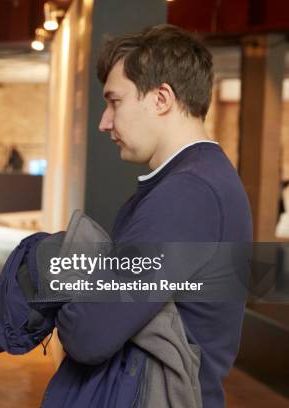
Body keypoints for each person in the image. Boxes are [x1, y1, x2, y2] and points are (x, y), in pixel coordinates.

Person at [46, 25, 252, 407]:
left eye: (115, 101)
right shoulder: (197, 181)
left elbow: (88, 334)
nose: (104, 122)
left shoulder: (188, 195)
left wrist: (67, 295)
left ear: (161, 99)